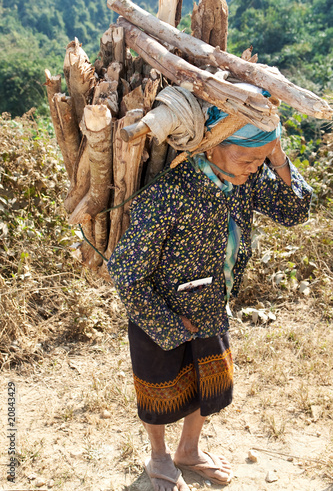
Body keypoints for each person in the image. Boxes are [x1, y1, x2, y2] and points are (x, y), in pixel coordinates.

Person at [107, 106, 312, 491]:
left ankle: (189, 450)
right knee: (159, 388)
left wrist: (277, 155)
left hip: (211, 304)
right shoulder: (171, 193)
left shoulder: (245, 180)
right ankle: (159, 456)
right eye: (248, 157)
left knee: (209, 381)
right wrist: (168, 324)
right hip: (158, 307)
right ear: (214, 143)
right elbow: (126, 272)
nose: (255, 167)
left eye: (261, 158)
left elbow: (295, 210)